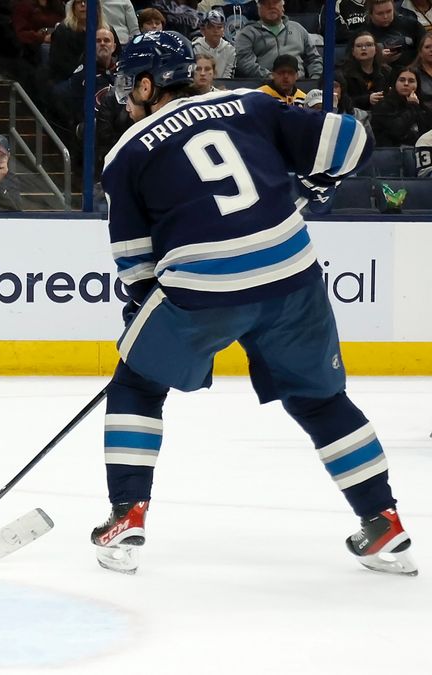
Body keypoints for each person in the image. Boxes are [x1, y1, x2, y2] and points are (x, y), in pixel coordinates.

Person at [96, 30, 416, 577]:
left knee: (138, 383)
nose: (127, 98)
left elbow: (136, 267)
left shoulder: (125, 154)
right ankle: (383, 522)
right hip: (293, 275)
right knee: (320, 399)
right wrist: (319, 179)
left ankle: (127, 516)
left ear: (148, 85)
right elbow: (350, 141)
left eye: (131, 86)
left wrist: (147, 334)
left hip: (203, 286)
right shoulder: (251, 104)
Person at [234, 0, 322, 79]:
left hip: (299, 85)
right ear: (258, 9)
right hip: (264, 85)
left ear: (283, 5)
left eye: (275, 2)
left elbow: (313, 58)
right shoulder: (247, 33)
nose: (271, 6)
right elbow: (245, 63)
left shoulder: (297, 29)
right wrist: (270, 77)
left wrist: (315, 80)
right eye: (266, 4)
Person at [371, 66, 432, 144]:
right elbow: (396, 131)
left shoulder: (423, 108)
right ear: (395, 83)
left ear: (417, 85)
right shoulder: (383, 105)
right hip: (391, 151)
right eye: (402, 80)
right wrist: (412, 106)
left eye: (411, 81)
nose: (406, 84)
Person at [342, 31, 393, 110]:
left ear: (376, 50)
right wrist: (367, 99)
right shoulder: (343, 73)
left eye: (369, 45)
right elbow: (342, 100)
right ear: (353, 51)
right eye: (359, 46)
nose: (363, 49)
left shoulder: (386, 71)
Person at [364, 0, 424, 66]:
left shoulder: (411, 25)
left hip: (414, 70)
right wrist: (378, 59)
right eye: (380, 13)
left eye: (389, 11)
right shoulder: (364, 34)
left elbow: (426, 47)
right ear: (370, 14)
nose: (385, 17)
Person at [191, 9, 234, 78]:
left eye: (219, 27)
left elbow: (228, 77)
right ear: (203, 30)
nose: (215, 31)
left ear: (224, 31)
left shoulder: (230, 50)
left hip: (222, 87)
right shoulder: (194, 48)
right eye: (211, 27)